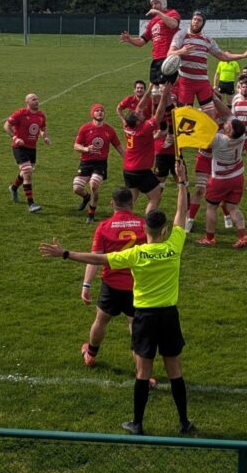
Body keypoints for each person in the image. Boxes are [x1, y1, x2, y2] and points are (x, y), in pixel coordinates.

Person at [40, 158, 194, 436]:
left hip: (145, 316)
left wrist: (65, 254)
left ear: (144, 231)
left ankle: (138, 423)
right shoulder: (175, 246)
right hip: (170, 315)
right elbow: (181, 214)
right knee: (175, 370)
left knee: (143, 373)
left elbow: (98, 258)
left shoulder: (134, 255)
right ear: (165, 231)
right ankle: (184, 422)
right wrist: (182, 183)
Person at [76, 186, 146, 369]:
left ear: (112, 203)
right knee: (135, 327)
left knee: (100, 320)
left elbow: (95, 259)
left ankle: (90, 354)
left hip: (111, 285)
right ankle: (143, 374)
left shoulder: (103, 227)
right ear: (132, 203)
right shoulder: (143, 225)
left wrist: (86, 285)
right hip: (136, 286)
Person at [167, 11, 247, 117]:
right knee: (184, 115)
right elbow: (169, 53)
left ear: (203, 23)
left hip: (202, 82)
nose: (196, 22)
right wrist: (182, 51)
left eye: (199, 20)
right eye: (194, 19)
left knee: (210, 115)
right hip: (186, 81)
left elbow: (223, 56)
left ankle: (208, 133)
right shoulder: (181, 34)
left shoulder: (208, 40)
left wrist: (243, 55)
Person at [196, 96, 247, 249]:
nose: (225, 123)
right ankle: (243, 236)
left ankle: (209, 238)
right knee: (233, 207)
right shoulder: (241, 135)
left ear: (230, 131)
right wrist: (213, 97)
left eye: (228, 125)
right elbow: (228, 113)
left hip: (220, 179)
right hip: (237, 176)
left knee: (211, 207)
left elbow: (202, 130)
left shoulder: (218, 140)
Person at [122, 82, 171, 212]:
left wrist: (149, 89)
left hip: (128, 170)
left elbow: (139, 107)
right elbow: (159, 115)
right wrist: (164, 95)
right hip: (141, 171)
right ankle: (148, 223)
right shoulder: (144, 129)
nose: (142, 113)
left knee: (131, 199)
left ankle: (124, 219)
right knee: (155, 196)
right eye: (139, 116)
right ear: (137, 122)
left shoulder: (127, 126)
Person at [73, 104, 123, 222]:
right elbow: (75, 146)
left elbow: (119, 147)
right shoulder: (85, 128)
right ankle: (87, 197)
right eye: (97, 111)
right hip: (85, 163)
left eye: (101, 111)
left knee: (94, 184)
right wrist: (86, 149)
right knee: (77, 188)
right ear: (92, 114)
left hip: (100, 164)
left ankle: (91, 214)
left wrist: (128, 160)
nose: (100, 112)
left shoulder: (109, 130)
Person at [119, 0, 181, 85]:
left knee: (165, 89)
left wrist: (158, 13)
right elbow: (141, 41)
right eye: (152, 4)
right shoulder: (152, 22)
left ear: (163, 3)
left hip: (168, 57)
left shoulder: (172, 13)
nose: (153, 6)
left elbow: (174, 24)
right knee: (155, 92)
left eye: (156, 3)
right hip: (156, 59)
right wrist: (130, 39)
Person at [4, 93, 51, 213]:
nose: (36, 101)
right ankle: (31, 204)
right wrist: (15, 138)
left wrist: (45, 137)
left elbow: (42, 128)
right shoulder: (20, 113)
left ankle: (13, 188)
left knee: (26, 172)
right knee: (27, 172)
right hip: (19, 147)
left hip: (32, 148)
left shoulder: (41, 115)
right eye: (33, 99)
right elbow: (6, 126)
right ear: (27, 102)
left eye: (37, 99)